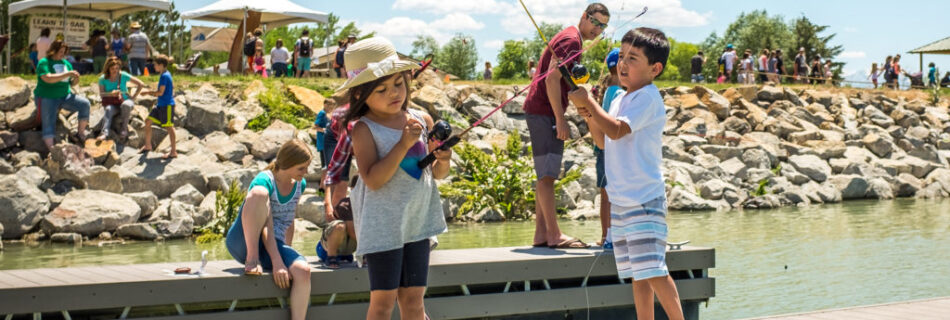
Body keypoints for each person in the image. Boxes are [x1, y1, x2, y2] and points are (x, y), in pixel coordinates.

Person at [567, 27, 684, 320]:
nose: (623, 64)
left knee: (654, 270)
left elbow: (618, 130)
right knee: (638, 273)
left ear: (655, 68)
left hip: (643, 199)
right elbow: (603, 140)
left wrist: (591, 102)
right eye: (622, 56)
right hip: (622, 201)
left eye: (633, 58)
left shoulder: (647, 97)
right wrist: (589, 113)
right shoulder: (619, 98)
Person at [339, 37, 451, 320]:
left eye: (398, 84)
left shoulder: (421, 119)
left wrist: (444, 159)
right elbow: (374, 180)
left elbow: (434, 175)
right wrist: (402, 144)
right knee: (383, 304)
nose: (394, 93)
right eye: (381, 89)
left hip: (417, 221)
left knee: (414, 303)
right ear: (360, 95)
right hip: (383, 226)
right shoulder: (365, 129)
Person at [524, 3, 609, 249]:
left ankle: (541, 234)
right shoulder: (572, 40)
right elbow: (552, 78)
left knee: (545, 174)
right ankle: (554, 235)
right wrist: (560, 118)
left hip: (540, 111)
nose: (598, 29)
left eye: (603, 26)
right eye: (595, 22)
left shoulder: (570, 37)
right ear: (584, 16)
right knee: (548, 175)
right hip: (544, 113)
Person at [225, 139, 314, 320]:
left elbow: (289, 219)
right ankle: (252, 259)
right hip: (244, 240)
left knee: (303, 271)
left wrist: (286, 257)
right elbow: (267, 226)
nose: (306, 173)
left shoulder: (299, 184)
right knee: (258, 193)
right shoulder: (265, 179)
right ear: (288, 164)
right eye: (301, 168)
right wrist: (277, 262)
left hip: (272, 243)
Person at [34, 40, 91, 150]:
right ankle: (51, 149)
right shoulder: (44, 62)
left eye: (64, 52)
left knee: (85, 104)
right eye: (60, 51)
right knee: (48, 122)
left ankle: (80, 133)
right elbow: (48, 78)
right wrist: (68, 73)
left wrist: (76, 79)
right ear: (53, 51)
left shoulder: (67, 64)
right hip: (47, 96)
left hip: (65, 96)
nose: (62, 54)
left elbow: (71, 83)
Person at [593, 47, 622, 249]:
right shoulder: (618, 92)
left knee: (605, 194)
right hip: (609, 149)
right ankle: (610, 237)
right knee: (611, 194)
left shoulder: (609, 90)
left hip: (601, 147)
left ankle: (606, 236)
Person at [139, 54, 177, 159]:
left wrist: (147, 92)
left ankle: (173, 152)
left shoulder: (165, 76)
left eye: (155, 64)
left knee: (169, 127)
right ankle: (148, 146)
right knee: (148, 122)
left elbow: (160, 92)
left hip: (167, 105)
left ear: (161, 65)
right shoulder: (164, 74)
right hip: (160, 105)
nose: (154, 66)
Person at [97, 56, 144, 141]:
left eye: (117, 68)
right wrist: (111, 94)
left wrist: (133, 97)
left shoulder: (123, 75)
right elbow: (101, 94)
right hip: (112, 104)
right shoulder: (102, 78)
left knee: (126, 105)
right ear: (108, 68)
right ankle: (104, 133)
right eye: (112, 68)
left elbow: (141, 84)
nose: (115, 71)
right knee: (108, 109)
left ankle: (124, 129)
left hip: (125, 101)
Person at [316, 187, 357, 269]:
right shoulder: (345, 204)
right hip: (325, 250)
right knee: (340, 226)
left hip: (347, 251)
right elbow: (352, 232)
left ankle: (362, 256)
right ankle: (331, 257)